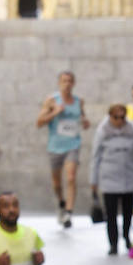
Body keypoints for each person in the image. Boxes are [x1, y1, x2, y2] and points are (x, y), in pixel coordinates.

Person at [36, 70, 90, 228]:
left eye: (70, 81)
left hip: (73, 144)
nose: (67, 84)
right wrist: (55, 112)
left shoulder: (79, 101)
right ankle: (61, 202)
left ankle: (69, 212)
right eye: (64, 81)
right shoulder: (52, 100)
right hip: (55, 146)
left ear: (73, 83)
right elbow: (39, 122)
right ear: (59, 83)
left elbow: (82, 118)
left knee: (71, 177)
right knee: (57, 183)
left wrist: (85, 122)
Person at [91, 104, 133, 254]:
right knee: (111, 214)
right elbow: (95, 156)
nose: (120, 120)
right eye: (116, 117)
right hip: (109, 178)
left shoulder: (132, 130)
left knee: (128, 211)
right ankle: (113, 243)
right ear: (110, 117)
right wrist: (93, 180)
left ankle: (127, 237)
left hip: (129, 177)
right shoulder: (102, 131)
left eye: (122, 117)